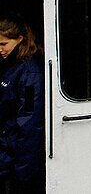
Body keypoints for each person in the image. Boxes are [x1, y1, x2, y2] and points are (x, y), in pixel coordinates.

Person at [0, 16, 44, 193]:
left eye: (4, 44)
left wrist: (23, 173)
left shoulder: (30, 75)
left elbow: (30, 124)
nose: (0, 49)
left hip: (13, 161)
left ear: (19, 39)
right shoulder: (9, 65)